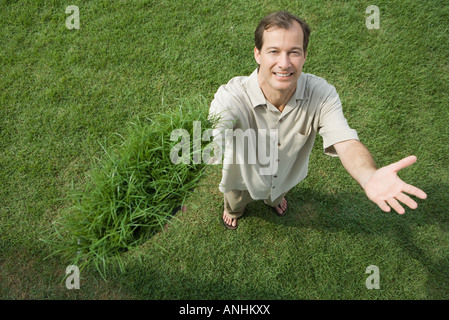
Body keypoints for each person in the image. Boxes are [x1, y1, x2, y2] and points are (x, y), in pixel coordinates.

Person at [208, 11, 427, 230]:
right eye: (273, 51)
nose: (284, 63)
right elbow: (212, 132)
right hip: (243, 179)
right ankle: (233, 211)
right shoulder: (232, 96)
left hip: (285, 178)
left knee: (277, 195)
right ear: (258, 54)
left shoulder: (321, 93)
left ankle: (273, 200)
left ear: (304, 55)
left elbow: (345, 141)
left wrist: (368, 176)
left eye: (293, 52)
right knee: (235, 200)